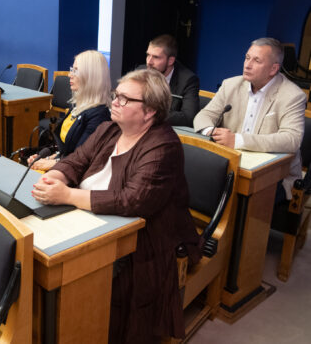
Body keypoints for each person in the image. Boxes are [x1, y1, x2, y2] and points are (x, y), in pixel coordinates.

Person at [32, 69, 201, 343]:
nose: (115, 103)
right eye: (115, 95)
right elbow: (77, 159)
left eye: (124, 99)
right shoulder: (109, 128)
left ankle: (80, 328)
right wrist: (57, 175)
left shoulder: (164, 146)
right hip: (89, 216)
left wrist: (67, 196)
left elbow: (132, 200)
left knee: (71, 271)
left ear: (149, 112)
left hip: (142, 239)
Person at [194, 37, 306, 201]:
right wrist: (212, 131)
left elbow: (292, 139)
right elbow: (204, 116)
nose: (247, 64)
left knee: (233, 200)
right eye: (247, 58)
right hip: (229, 166)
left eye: (257, 60)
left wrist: (238, 141)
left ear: (273, 69)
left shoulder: (292, 96)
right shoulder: (230, 85)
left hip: (273, 176)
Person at [29, 50, 111, 171]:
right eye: (72, 69)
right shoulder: (78, 105)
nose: (69, 74)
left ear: (91, 76)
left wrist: (51, 164)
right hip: (63, 165)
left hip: (72, 176)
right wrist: (49, 158)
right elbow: (67, 149)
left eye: (75, 71)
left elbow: (82, 159)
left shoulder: (99, 115)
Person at [145, 34, 199, 127]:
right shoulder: (140, 72)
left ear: (170, 61)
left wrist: (151, 113)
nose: (149, 62)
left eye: (156, 57)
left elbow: (189, 118)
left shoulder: (188, 80)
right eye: (148, 55)